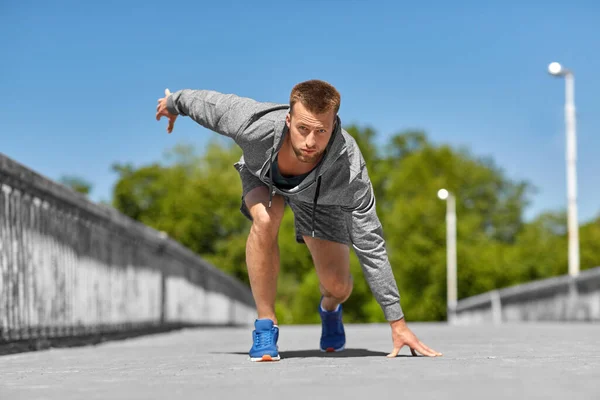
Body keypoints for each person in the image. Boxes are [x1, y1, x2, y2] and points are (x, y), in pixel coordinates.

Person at [155, 80, 442, 361]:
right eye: (303, 128)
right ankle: (266, 326)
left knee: (338, 286)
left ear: (334, 126)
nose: (310, 142)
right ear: (288, 119)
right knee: (265, 220)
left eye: (321, 131)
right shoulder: (253, 122)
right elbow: (207, 103)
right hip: (262, 179)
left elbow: (371, 243)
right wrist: (172, 103)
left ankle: (330, 309)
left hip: (320, 199)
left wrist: (397, 322)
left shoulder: (348, 168)